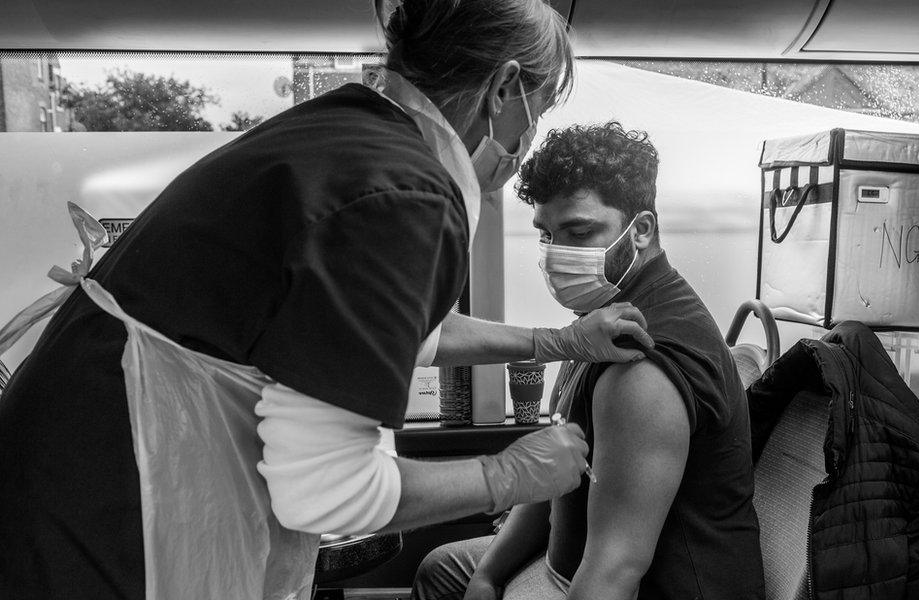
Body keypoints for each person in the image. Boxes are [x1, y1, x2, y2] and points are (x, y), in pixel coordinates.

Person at [0, 3, 655, 598]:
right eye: (536, 109)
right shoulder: (407, 192)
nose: (529, 136)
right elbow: (329, 490)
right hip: (106, 508)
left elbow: (397, 333)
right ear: (504, 87)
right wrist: (512, 473)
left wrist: (557, 343)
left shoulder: (347, 137)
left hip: (75, 463)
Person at [411, 122, 765, 600]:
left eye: (579, 231)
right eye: (546, 234)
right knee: (444, 569)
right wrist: (488, 575)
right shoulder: (598, 327)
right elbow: (559, 466)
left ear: (640, 231)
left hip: (636, 586)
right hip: (567, 563)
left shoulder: (641, 371)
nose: (558, 254)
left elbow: (614, 572)